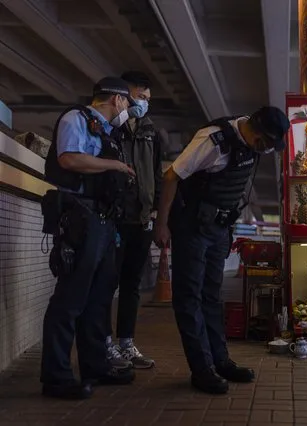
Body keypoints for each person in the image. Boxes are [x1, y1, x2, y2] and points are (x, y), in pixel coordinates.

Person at [154, 107, 289, 394]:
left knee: (211, 298)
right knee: (189, 298)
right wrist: (162, 225)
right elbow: (170, 176)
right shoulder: (212, 140)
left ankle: (221, 361)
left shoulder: (250, 147)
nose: (266, 150)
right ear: (255, 131)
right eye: (266, 143)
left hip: (217, 228)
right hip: (191, 226)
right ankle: (201, 370)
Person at [40, 77, 138, 399]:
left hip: (104, 221)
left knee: (98, 300)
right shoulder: (76, 119)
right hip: (81, 218)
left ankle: (95, 365)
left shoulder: (108, 132)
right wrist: (115, 165)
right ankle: (56, 377)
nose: (128, 109)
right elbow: (68, 158)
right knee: (70, 300)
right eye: (127, 102)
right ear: (117, 100)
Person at [105, 71, 162, 370]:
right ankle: (104, 344)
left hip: (140, 220)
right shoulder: (108, 128)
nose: (144, 103)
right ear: (124, 93)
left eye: (147, 99)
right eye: (141, 96)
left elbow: (158, 173)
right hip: (112, 218)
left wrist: (154, 211)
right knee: (105, 283)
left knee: (131, 285)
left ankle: (126, 343)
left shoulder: (151, 130)